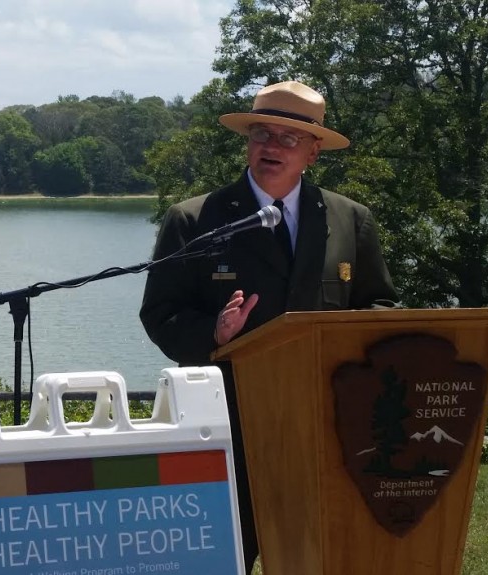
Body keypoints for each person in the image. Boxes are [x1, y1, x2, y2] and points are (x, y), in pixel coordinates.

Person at [139, 80, 398, 573]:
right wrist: (213, 335)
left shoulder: (350, 220)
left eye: (288, 137)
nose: (271, 147)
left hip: (325, 423)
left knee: (317, 555)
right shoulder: (195, 219)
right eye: (262, 133)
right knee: (222, 559)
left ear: (313, 153)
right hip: (225, 423)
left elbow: (378, 307)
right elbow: (161, 314)